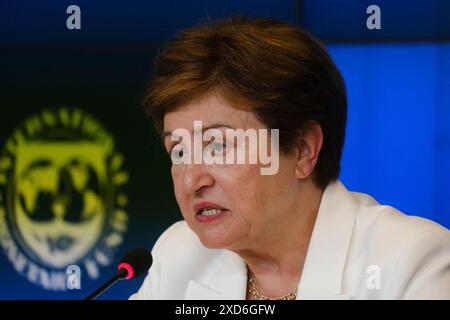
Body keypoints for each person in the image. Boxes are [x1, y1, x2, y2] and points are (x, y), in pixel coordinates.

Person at [130, 17, 450, 300]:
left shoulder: (412, 262)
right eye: (180, 151)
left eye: (218, 146)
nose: (191, 181)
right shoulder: (178, 254)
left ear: (303, 149)